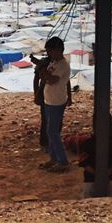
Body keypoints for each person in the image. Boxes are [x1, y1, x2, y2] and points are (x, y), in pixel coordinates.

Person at [38, 36, 72, 173]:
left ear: (58, 50)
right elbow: (45, 78)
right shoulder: (54, 63)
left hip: (56, 102)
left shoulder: (63, 64)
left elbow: (51, 80)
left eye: (50, 51)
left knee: (53, 132)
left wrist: (42, 70)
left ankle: (63, 161)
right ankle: (54, 158)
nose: (49, 54)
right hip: (49, 100)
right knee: (50, 131)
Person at [32, 53, 73, 152]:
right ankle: (47, 143)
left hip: (57, 98)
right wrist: (36, 94)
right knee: (47, 121)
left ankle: (54, 146)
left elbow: (63, 81)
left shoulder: (59, 64)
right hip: (46, 96)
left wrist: (69, 96)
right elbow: (36, 79)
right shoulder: (48, 63)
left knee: (54, 124)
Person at [79, 121, 112, 197]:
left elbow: (84, 163)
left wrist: (96, 174)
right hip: (109, 179)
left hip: (90, 179)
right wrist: (109, 171)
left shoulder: (88, 143)